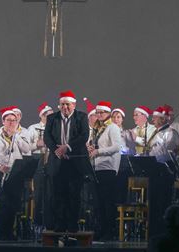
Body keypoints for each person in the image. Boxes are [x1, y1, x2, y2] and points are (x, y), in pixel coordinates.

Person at [44, 90, 91, 233]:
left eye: (68, 104)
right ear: (59, 105)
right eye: (62, 104)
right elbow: (47, 137)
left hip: (74, 162)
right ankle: (59, 224)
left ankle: (72, 225)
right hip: (57, 161)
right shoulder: (52, 118)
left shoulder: (82, 117)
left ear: (74, 105)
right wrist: (57, 150)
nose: (65, 107)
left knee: (74, 194)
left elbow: (84, 136)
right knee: (58, 194)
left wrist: (67, 148)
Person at [0, 107, 31, 240]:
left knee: (14, 203)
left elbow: (27, 149)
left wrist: (16, 136)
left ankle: (9, 231)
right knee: (4, 203)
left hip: (15, 174)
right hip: (0, 174)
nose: (11, 123)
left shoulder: (19, 136)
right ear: (3, 122)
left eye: (14, 120)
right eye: (9, 120)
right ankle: (2, 232)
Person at [88, 101, 121, 240]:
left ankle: (109, 231)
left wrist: (98, 151)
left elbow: (116, 147)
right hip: (96, 167)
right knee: (98, 202)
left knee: (107, 201)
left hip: (107, 168)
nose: (99, 115)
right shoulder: (97, 129)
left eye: (102, 112)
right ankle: (100, 229)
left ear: (108, 113)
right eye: (98, 112)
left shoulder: (112, 127)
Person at [146, 106, 179, 238]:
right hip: (154, 170)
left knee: (162, 201)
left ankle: (162, 231)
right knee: (153, 201)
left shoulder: (171, 132)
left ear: (162, 119)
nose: (153, 119)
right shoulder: (155, 132)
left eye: (155, 117)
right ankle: (153, 231)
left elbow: (169, 153)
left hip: (164, 170)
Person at [27, 102, 54, 229]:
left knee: (51, 193)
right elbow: (26, 147)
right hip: (38, 159)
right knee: (39, 193)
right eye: (48, 116)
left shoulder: (56, 128)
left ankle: (50, 222)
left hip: (52, 160)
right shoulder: (33, 128)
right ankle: (37, 222)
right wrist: (37, 144)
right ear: (42, 116)